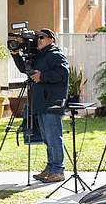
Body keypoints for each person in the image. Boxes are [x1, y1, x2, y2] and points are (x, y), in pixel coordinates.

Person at [11, 29, 69, 183]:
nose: (38, 40)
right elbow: (26, 70)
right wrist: (16, 54)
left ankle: (58, 170)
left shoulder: (55, 54)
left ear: (51, 39)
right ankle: (51, 168)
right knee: (46, 138)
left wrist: (42, 76)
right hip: (40, 102)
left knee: (53, 137)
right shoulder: (39, 56)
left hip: (52, 103)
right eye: (37, 38)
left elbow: (63, 74)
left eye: (41, 37)